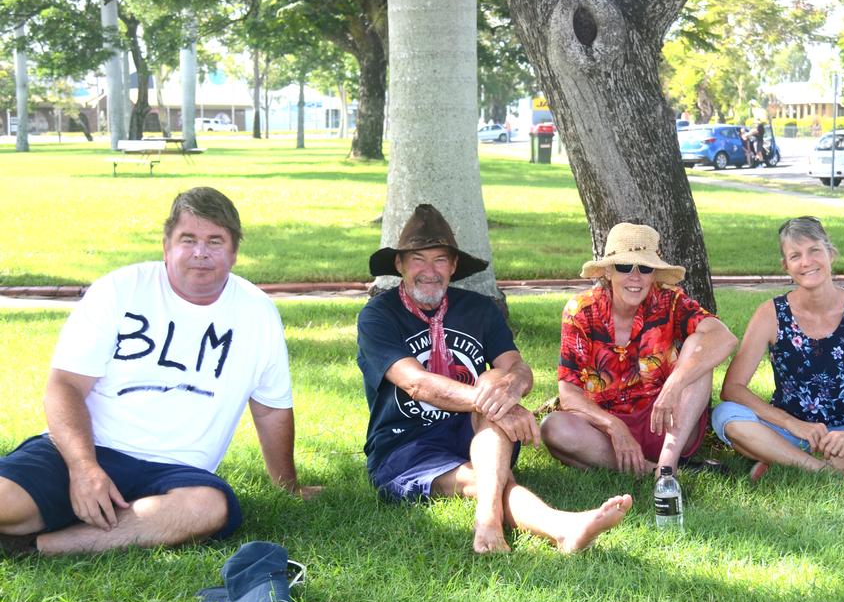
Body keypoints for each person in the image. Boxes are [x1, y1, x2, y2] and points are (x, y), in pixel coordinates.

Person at [0, 188, 318, 558]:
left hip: (174, 471)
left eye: (215, 241)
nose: (201, 252)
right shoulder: (119, 289)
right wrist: (84, 468)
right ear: (166, 246)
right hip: (91, 446)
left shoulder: (258, 313)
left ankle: (40, 547)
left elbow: (270, 408)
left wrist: (288, 485)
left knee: (207, 508)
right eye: (189, 239)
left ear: (234, 253)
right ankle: (89, 520)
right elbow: (65, 386)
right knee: (5, 501)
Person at [357, 204, 631, 554]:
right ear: (399, 265)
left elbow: (517, 366)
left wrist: (510, 388)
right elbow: (416, 384)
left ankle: (496, 521)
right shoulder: (378, 317)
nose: (430, 271)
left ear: (454, 266)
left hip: (477, 431)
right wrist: (501, 406)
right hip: (405, 442)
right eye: (417, 259)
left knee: (495, 378)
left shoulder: (478, 309)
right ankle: (557, 526)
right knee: (485, 475)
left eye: (440, 260)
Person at [714, 217, 844, 482]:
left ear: (831, 253)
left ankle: (786, 460)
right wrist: (792, 424)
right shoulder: (770, 313)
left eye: (814, 250)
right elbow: (732, 388)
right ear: (786, 266)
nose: (806, 262)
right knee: (725, 415)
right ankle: (838, 471)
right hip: (789, 429)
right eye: (795, 255)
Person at [542, 223, 737, 479]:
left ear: (654, 274)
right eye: (625, 267)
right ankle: (655, 471)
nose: (635, 277)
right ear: (608, 271)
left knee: (699, 347)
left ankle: (667, 463)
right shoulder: (581, 311)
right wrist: (614, 426)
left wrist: (674, 385)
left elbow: (724, 338)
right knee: (553, 428)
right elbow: (569, 396)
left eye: (644, 268)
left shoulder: (670, 300)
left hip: (666, 424)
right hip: (605, 432)